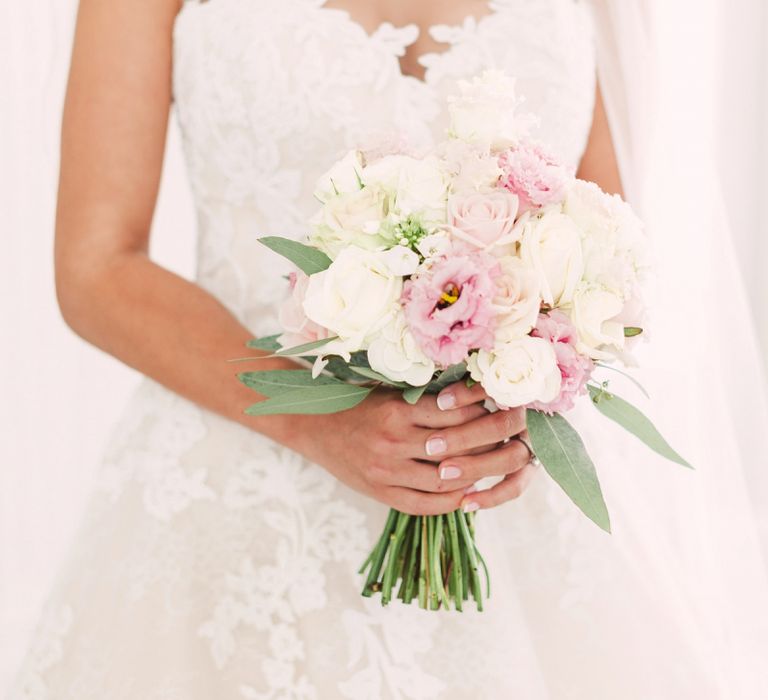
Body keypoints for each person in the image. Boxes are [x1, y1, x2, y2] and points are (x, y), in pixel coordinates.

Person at [8, 1, 768, 698]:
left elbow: (603, 247)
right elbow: (97, 264)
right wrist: (314, 421)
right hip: (238, 500)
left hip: (511, 497)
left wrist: (527, 388)